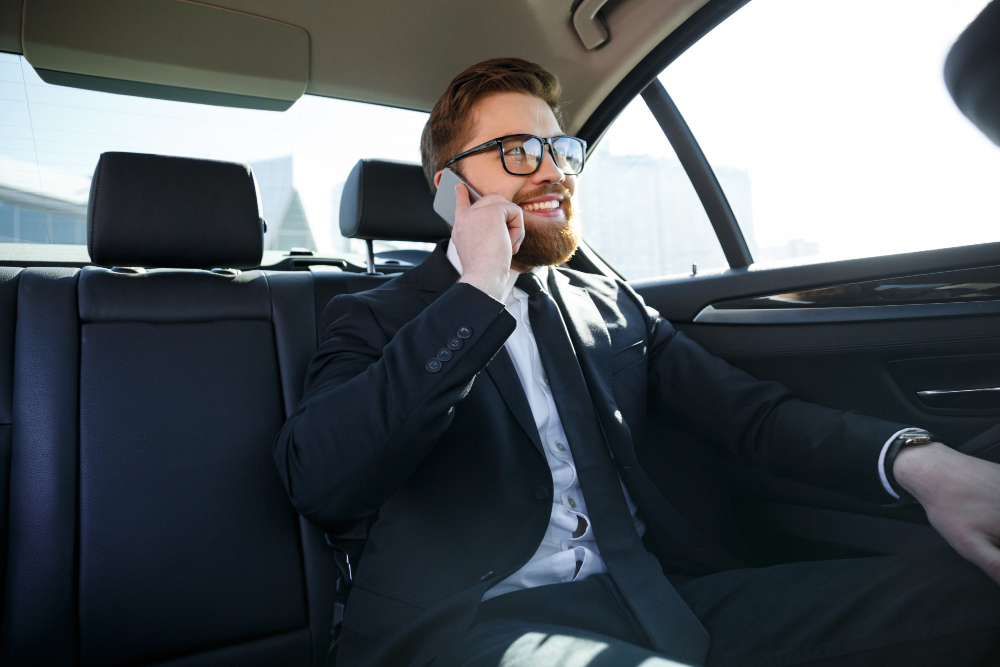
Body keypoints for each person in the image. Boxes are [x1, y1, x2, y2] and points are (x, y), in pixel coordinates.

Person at [273, 58, 1000, 667]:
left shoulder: (611, 304)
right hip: (468, 625)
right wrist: (476, 294)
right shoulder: (377, 315)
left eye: (561, 150)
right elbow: (323, 479)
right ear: (448, 187)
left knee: (970, 594)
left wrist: (922, 462)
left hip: (659, 592)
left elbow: (754, 417)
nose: (554, 170)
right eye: (520, 151)